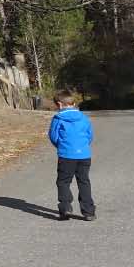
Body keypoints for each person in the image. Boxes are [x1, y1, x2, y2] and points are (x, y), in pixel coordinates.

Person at [48, 91, 95, 221]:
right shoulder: (84, 117)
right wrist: (83, 146)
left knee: (63, 182)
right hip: (84, 155)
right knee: (84, 181)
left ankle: (65, 207)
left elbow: (53, 136)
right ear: (73, 103)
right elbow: (89, 135)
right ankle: (89, 211)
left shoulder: (58, 119)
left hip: (66, 155)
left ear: (59, 104)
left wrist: (61, 145)